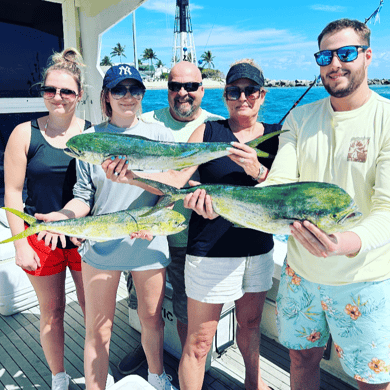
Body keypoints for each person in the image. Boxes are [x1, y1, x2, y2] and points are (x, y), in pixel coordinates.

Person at [104, 59, 280, 390]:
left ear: (262, 95)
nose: (242, 97)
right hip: (210, 251)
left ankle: (254, 385)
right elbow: (174, 177)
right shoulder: (210, 132)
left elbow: (283, 196)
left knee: (251, 324)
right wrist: (131, 176)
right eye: (234, 91)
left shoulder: (275, 137)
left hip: (257, 249)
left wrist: (258, 171)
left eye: (250, 90)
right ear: (224, 95)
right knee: (198, 343)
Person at [258, 19, 390, 390]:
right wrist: (235, 195)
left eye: (346, 53)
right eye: (325, 56)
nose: (334, 64)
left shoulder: (387, 119)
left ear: (367, 56)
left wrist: (340, 244)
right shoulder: (300, 118)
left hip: (365, 278)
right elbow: (280, 186)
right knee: (299, 360)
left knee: (373, 380)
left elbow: (388, 210)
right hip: (301, 272)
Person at [35, 64, 177, 390]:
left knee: (151, 319)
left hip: (148, 240)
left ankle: (157, 375)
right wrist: (64, 216)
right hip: (101, 243)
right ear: (107, 96)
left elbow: (173, 189)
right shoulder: (90, 141)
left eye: (135, 89)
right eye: (119, 90)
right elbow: (83, 197)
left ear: (143, 93)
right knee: (98, 328)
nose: (128, 97)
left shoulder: (161, 135)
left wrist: (157, 224)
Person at [117, 60, 223, 384]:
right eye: (175, 85)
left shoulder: (216, 128)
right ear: (167, 89)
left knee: (184, 310)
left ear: (202, 90)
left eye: (191, 86)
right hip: (147, 235)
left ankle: (188, 366)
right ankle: (149, 352)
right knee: (143, 306)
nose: (183, 93)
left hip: (192, 239)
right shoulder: (147, 123)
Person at [4, 48, 90, 390]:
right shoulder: (24, 134)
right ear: (43, 92)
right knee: (52, 312)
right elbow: (12, 193)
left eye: (66, 91)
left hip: (85, 236)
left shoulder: (92, 134)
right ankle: (59, 377)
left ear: (79, 96)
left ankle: (95, 373)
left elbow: (98, 191)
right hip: (40, 238)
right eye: (50, 90)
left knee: (93, 311)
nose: (58, 97)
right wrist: (20, 246)